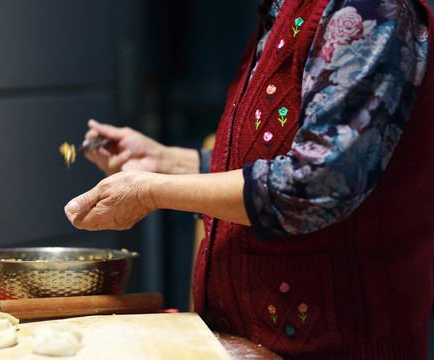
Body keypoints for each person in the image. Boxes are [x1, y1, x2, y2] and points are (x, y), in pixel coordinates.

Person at [65, 0, 434, 358]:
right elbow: (268, 158)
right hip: (253, 341)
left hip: (340, 346)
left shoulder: (368, 7)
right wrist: (166, 161)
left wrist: (150, 191)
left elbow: (313, 185)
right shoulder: (279, 11)